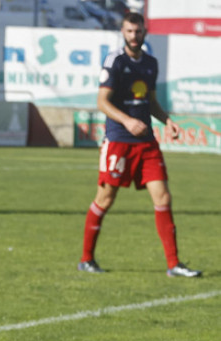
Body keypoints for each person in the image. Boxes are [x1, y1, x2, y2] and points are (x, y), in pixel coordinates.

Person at [78, 12, 201, 278]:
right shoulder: (115, 61)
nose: (134, 36)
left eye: (138, 31)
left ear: (145, 32)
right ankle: (86, 259)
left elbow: (151, 101)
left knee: (163, 197)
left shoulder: (151, 64)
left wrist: (167, 121)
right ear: (123, 32)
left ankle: (174, 264)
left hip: (146, 143)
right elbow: (102, 102)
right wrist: (128, 121)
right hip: (119, 142)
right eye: (130, 31)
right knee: (105, 199)